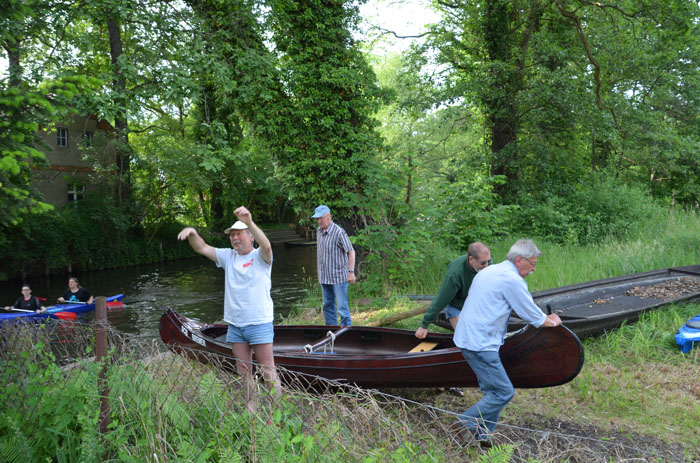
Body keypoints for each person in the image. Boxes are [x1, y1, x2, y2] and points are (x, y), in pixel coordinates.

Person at [452, 239, 562, 447]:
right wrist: (553, 321)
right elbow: (533, 316)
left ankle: (482, 435)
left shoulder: (491, 271)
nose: (534, 269)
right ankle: (464, 422)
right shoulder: (511, 279)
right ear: (519, 259)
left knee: (492, 392)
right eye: (532, 264)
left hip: (468, 338)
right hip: (481, 343)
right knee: (503, 392)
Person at [177, 206, 281, 404]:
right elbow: (202, 248)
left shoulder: (261, 256)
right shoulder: (228, 256)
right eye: (232, 235)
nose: (234, 238)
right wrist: (192, 233)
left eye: (239, 234)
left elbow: (267, 246)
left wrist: (249, 221)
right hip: (235, 325)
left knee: (268, 370)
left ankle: (278, 414)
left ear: (250, 237)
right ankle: (252, 412)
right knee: (243, 371)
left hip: (259, 322)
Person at [414, 242, 491, 340]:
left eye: (488, 261)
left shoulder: (488, 265)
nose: (487, 265)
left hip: (475, 302)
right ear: (471, 259)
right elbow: (441, 299)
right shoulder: (455, 274)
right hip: (456, 305)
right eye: (483, 263)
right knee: (465, 338)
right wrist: (424, 325)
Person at [312, 205, 356, 326]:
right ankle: (331, 332)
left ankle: (346, 332)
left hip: (339, 277)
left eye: (321, 218)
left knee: (342, 307)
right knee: (327, 306)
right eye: (317, 219)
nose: (319, 221)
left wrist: (351, 272)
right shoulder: (319, 231)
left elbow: (351, 251)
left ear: (329, 216)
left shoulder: (339, 232)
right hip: (324, 276)